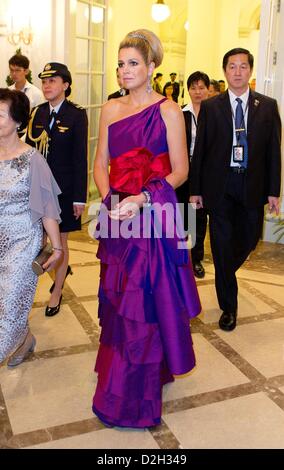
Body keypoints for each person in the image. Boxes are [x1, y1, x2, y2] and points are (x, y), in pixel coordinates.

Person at [92, 29, 201, 428]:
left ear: (152, 66)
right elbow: (100, 162)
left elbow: (180, 170)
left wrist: (142, 199)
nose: (124, 70)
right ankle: (131, 372)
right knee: (120, 299)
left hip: (152, 215)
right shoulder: (109, 109)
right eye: (120, 64)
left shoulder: (169, 110)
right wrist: (110, 201)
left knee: (147, 301)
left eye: (132, 63)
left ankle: (135, 393)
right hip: (117, 215)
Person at [190, 48, 281, 332]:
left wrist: (274, 191)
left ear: (250, 71)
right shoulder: (212, 106)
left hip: (251, 184)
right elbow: (200, 151)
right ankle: (229, 307)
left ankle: (226, 270)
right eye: (232, 66)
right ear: (225, 71)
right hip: (220, 185)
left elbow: (273, 153)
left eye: (243, 66)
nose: (238, 71)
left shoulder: (267, 106)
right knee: (219, 243)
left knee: (250, 238)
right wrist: (195, 189)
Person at [0, 88, 62, 367]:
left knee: (11, 301)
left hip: (24, 240)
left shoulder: (32, 159)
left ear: (16, 121)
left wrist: (57, 247)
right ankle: (25, 338)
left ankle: (9, 340)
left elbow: (47, 207)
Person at [26, 63, 88, 317]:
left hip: (63, 190)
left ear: (66, 85)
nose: (48, 85)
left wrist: (79, 198)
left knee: (59, 241)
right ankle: (59, 270)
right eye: (45, 81)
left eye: (53, 81)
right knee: (35, 241)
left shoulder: (76, 115)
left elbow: (80, 158)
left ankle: (57, 290)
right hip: (37, 189)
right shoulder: (36, 113)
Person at [176, 71, 210, 279]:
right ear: (188, 90)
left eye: (201, 87)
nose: (197, 92)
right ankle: (181, 256)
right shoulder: (181, 114)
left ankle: (196, 258)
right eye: (193, 87)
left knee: (199, 216)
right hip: (184, 169)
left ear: (208, 89)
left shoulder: (214, 113)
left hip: (206, 172)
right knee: (182, 213)